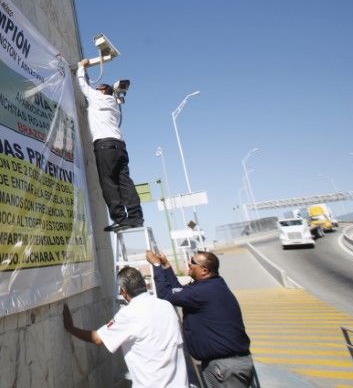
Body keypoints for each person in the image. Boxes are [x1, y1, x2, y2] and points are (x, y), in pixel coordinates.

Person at [62, 266, 188, 388]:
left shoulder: (129, 314)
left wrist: (70, 328)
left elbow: (97, 338)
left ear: (123, 290)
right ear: (144, 284)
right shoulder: (166, 305)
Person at [146, 250, 255, 387]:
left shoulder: (202, 292)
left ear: (204, 270)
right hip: (230, 364)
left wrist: (156, 265)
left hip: (224, 368)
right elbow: (179, 292)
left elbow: (165, 294)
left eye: (192, 262)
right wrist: (166, 266)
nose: (188, 264)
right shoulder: (212, 285)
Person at [76, 59, 144, 231]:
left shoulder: (97, 97)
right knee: (125, 182)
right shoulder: (113, 103)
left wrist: (81, 67)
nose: (95, 87)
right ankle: (136, 217)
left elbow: (83, 85)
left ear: (101, 90)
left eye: (98, 87)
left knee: (109, 184)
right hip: (120, 146)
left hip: (105, 146)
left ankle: (120, 218)